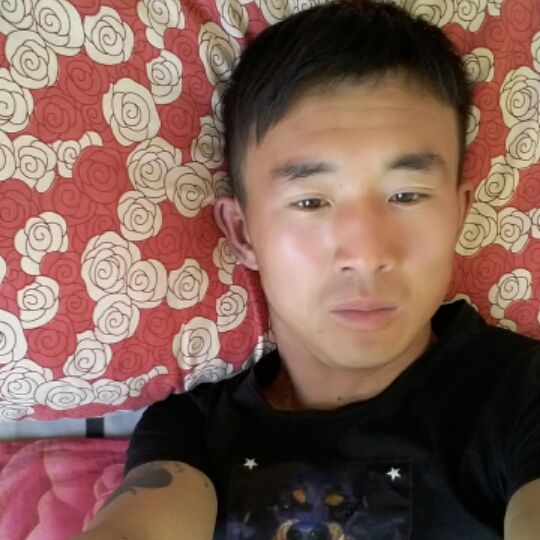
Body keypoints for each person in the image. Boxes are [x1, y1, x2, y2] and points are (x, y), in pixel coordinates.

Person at [74, 1, 540, 539]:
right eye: (311, 202)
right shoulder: (191, 434)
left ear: (459, 212)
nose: (366, 254)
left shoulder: (522, 396)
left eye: (407, 195)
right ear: (243, 233)